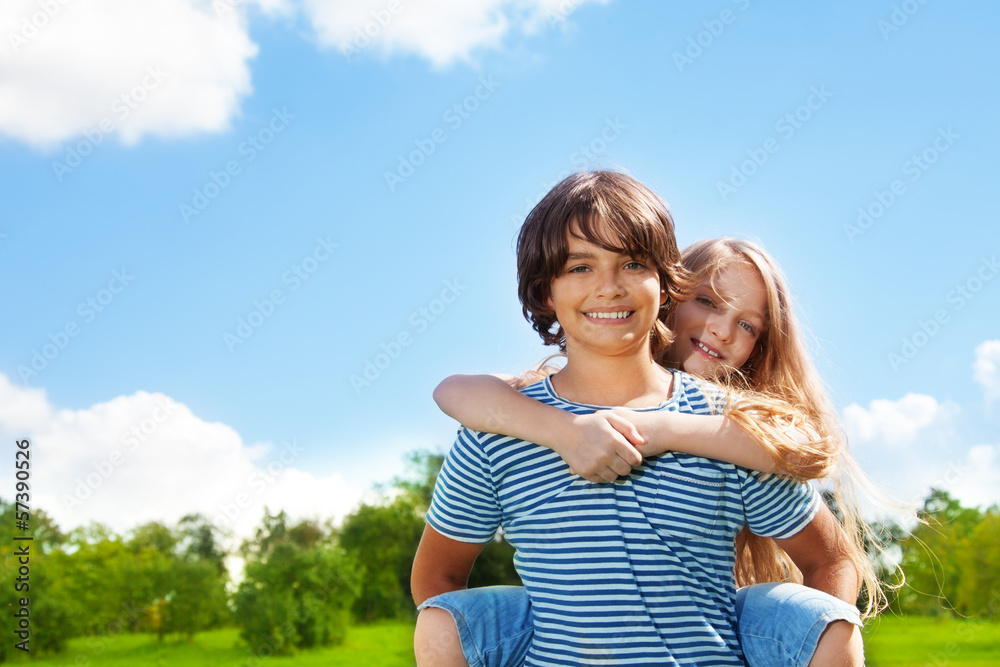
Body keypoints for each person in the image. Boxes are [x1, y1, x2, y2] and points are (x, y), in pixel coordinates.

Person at [411, 171, 863, 665]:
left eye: (631, 264)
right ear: (546, 292)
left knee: (827, 620)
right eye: (580, 267)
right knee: (439, 622)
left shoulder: (726, 432)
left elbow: (830, 558)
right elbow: (438, 580)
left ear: (666, 284)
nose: (608, 288)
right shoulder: (500, 430)